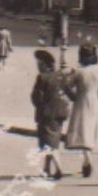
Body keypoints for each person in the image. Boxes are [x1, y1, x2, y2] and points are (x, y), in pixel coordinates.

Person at [63, 43, 98, 178]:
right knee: (93, 128)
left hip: (81, 101)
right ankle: (87, 159)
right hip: (95, 101)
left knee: (83, 129)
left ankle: (86, 159)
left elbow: (66, 85)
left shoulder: (77, 71)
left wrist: (73, 97)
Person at [30, 49, 72, 180]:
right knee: (52, 141)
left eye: (40, 63)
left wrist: (40, 105)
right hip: (60, 113)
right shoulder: (61, 75)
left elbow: (37, 97)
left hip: (47, 114)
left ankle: (59, 168)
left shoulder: (42, 77)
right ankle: (46, 168)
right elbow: (70, 93)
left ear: (45, 65)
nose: (38, 66)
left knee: (48, 143)